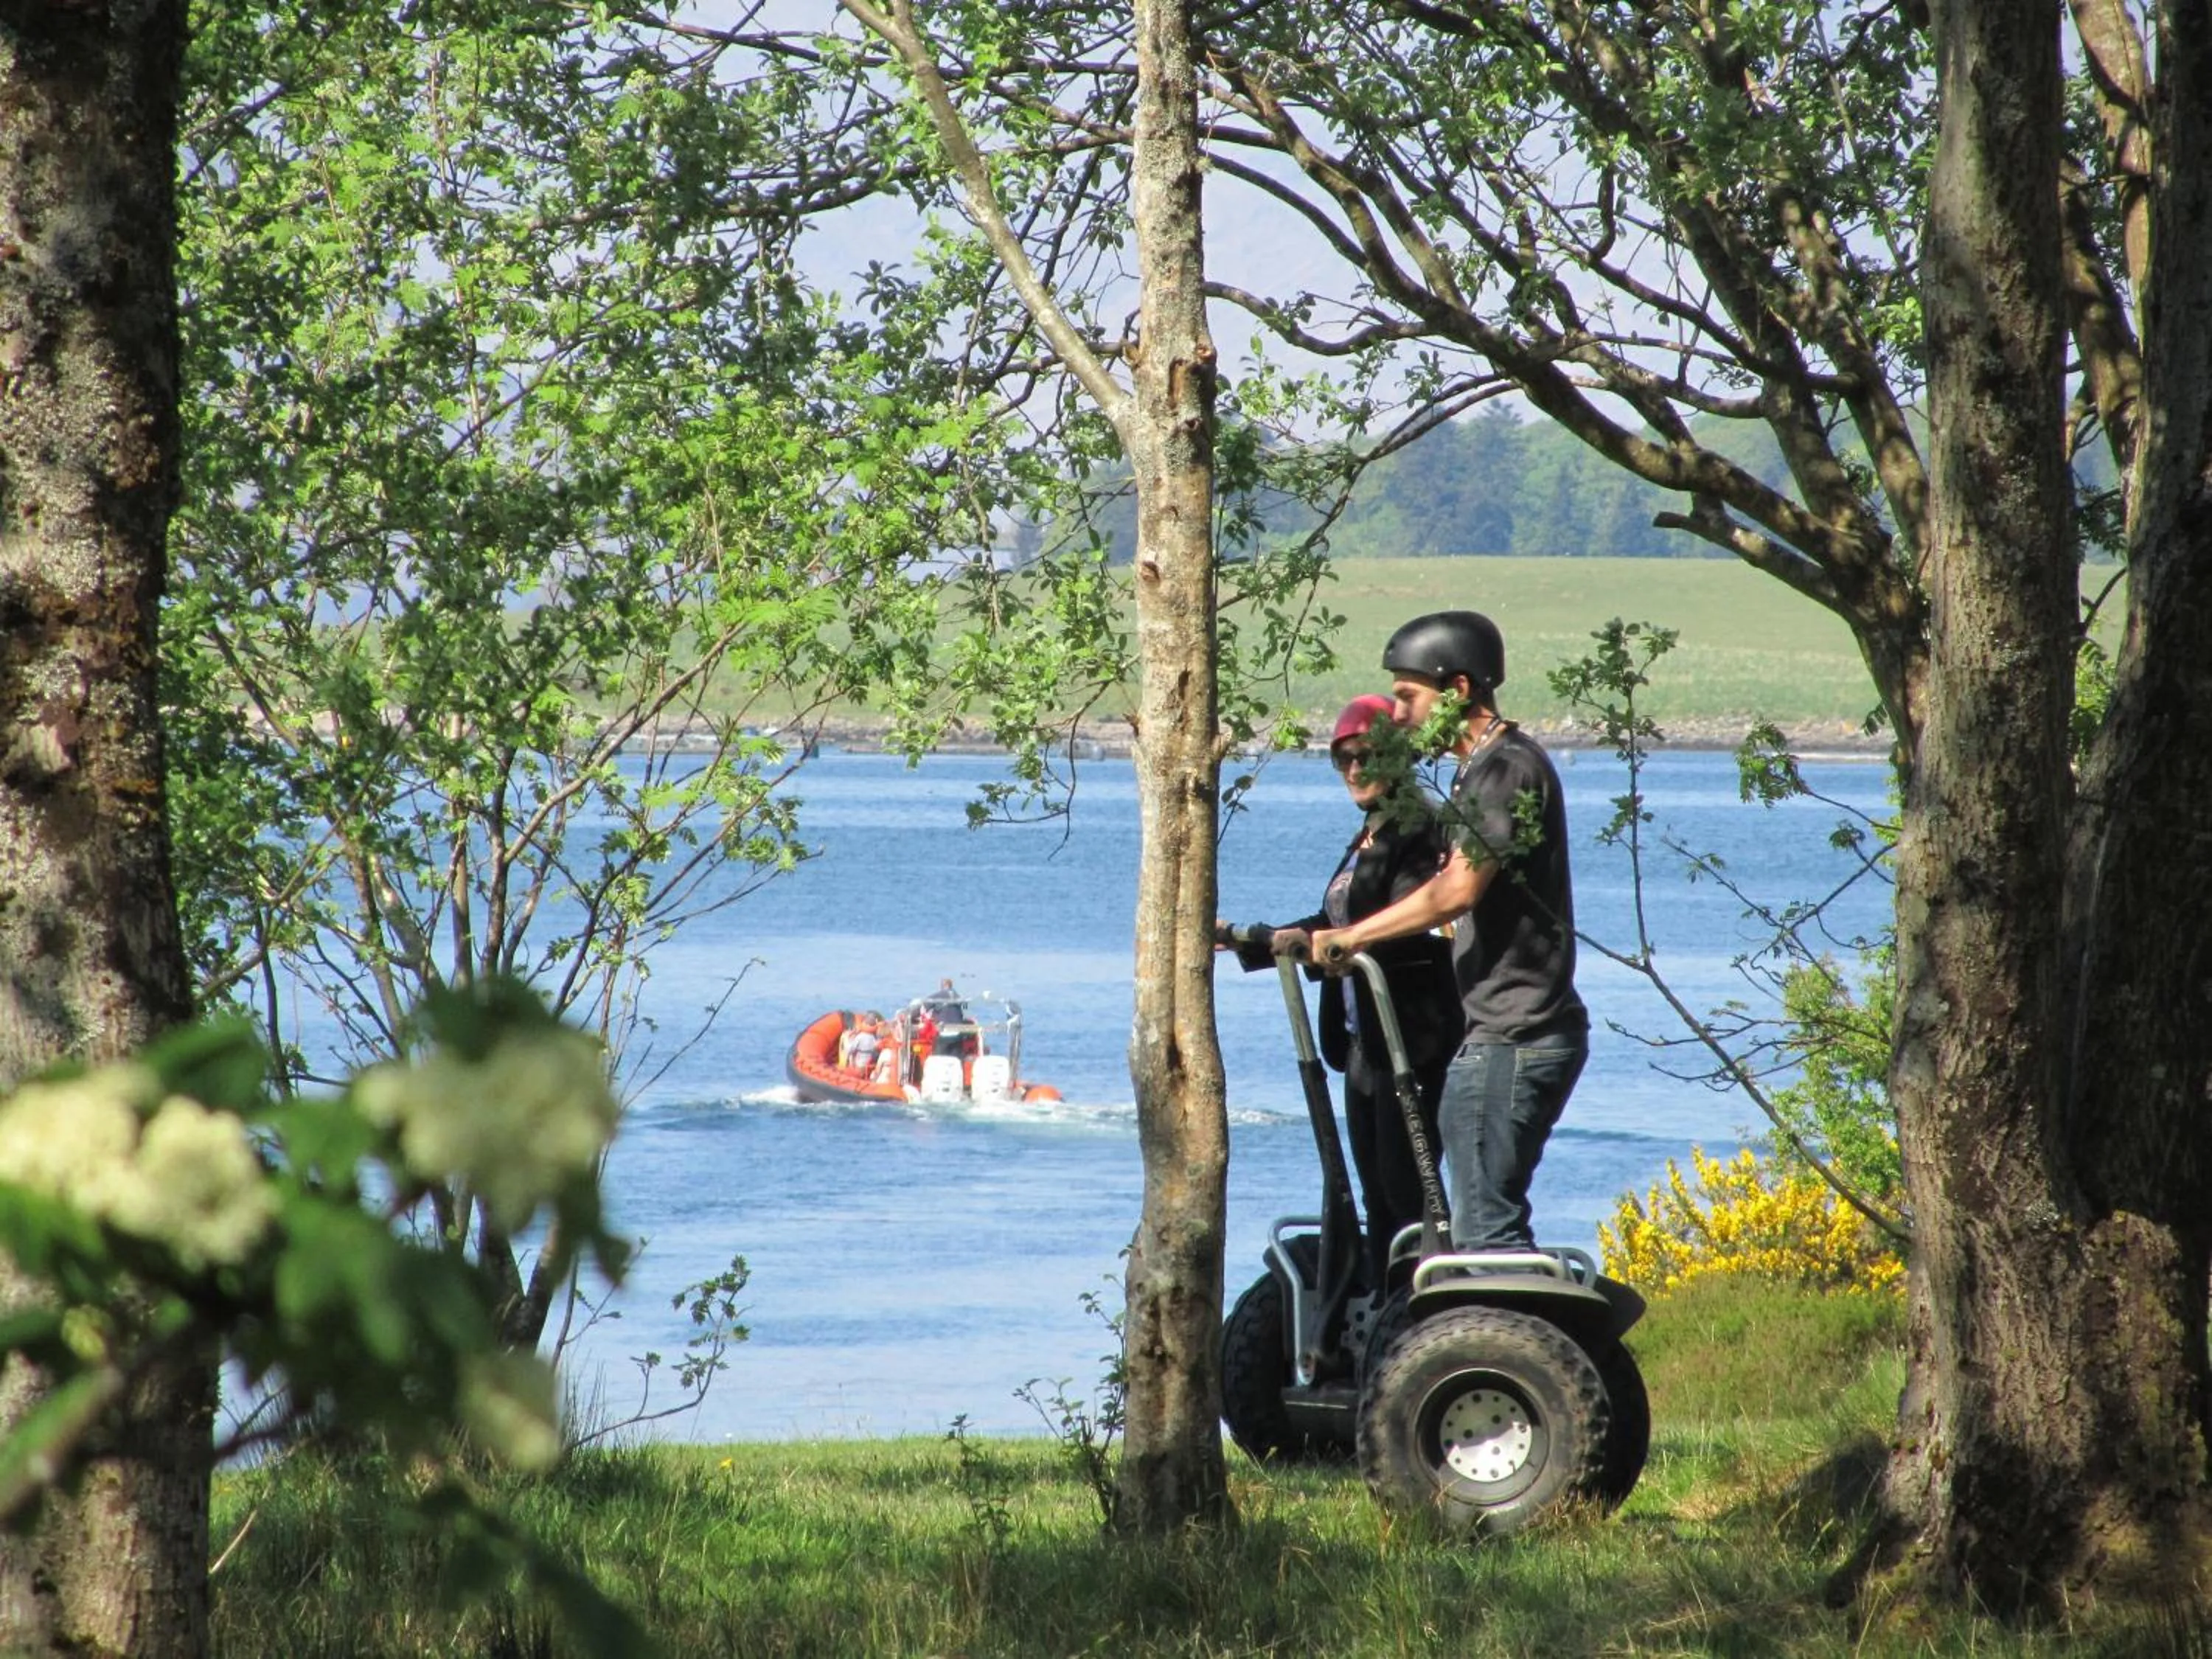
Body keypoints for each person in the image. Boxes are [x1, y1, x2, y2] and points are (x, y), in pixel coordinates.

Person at [1309, 611, 1587, 1253]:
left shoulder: (1506, 767)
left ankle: (1501, 1351)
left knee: (1485, 1231)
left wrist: (1350, 938)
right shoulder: (1479, 771)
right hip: (1493, 1029)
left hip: (1518, 1031)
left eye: (1408, 696)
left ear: (1459, 690)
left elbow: (1455, 890)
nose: (1398, 715)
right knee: (1467, 1226)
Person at [1225, 694, 1463, 1287]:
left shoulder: (1420, 829)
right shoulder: (1371, 832)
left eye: (1366, 755)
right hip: (1363, 1044)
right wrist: (1250, 942)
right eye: (1342, 760)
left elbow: (1406, 924)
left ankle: (1416, 1306)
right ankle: (1381, 1308)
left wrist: (1332, 944)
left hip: (1410, 1037)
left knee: (1405, 1189)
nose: (1355, 770)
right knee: (1374, 1190)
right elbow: (1339, 922)